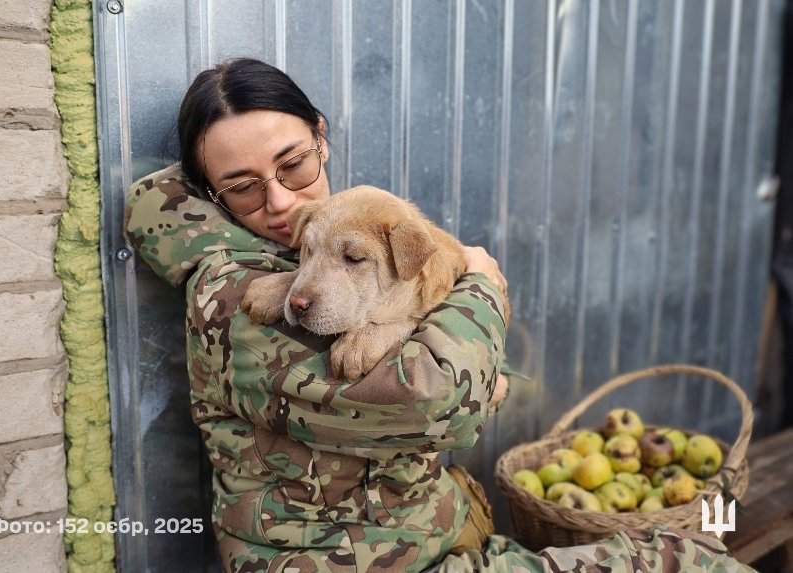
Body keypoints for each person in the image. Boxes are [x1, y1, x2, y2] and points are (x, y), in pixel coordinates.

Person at [124, 58, 755, 572]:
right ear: (211, 193)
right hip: (349, 563)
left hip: (423, 540)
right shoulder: (234, 297)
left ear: (321, 136)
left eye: (293, 163)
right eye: (243, 185)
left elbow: (465, 385)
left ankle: (719, 521)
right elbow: (439, 404)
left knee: (703, 540)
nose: (282, 200)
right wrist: (481, 283)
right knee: (692, 560)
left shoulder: (332, 232)